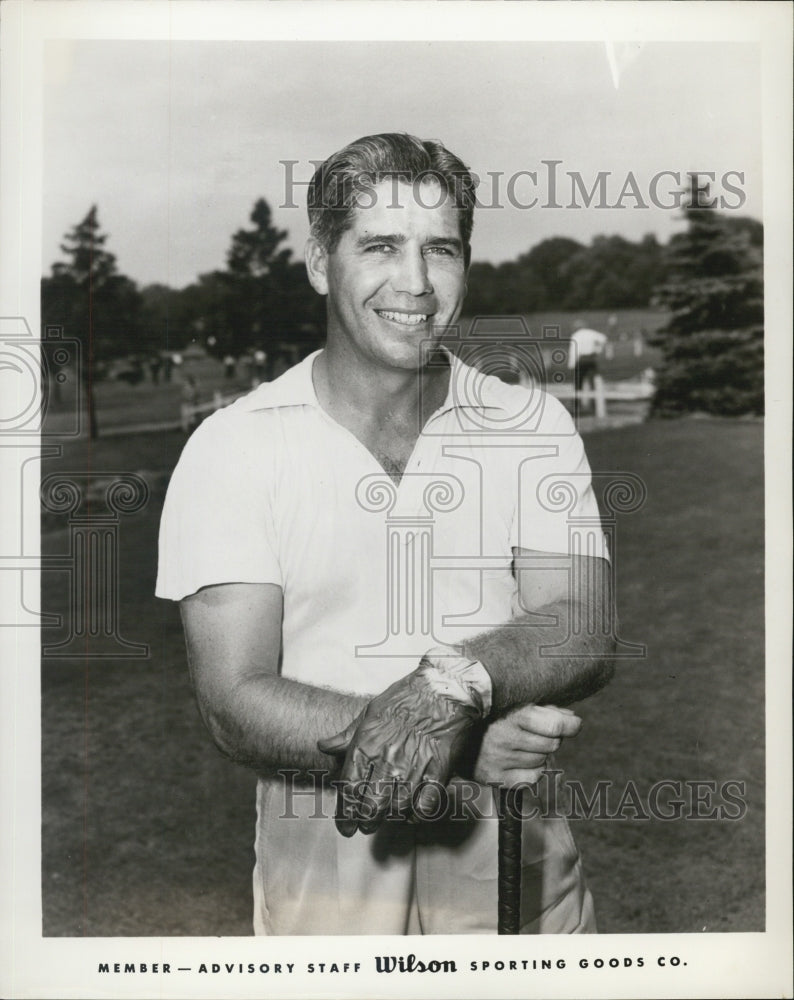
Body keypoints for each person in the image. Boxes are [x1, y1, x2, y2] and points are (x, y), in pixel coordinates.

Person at [156, 133, 616, 935]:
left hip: (513, 875)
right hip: (326, 893)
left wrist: (455, 687)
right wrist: (455, 741)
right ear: (318, 260)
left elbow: (582, 621)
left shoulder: (530, 422)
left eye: (441, 249)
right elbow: (233, 700)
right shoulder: (234, 445)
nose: (416, 284)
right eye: (380, 246)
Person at [568, 320, 608, 400]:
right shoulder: (591, 333)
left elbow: (573, 352)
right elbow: (604, 338)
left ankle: (576, 403)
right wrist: (598, 349)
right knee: (593, 382)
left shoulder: (575, 336)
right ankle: (594, 403)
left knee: (578, 383)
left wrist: (571, 364)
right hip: (591, 360)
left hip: (581, 361)